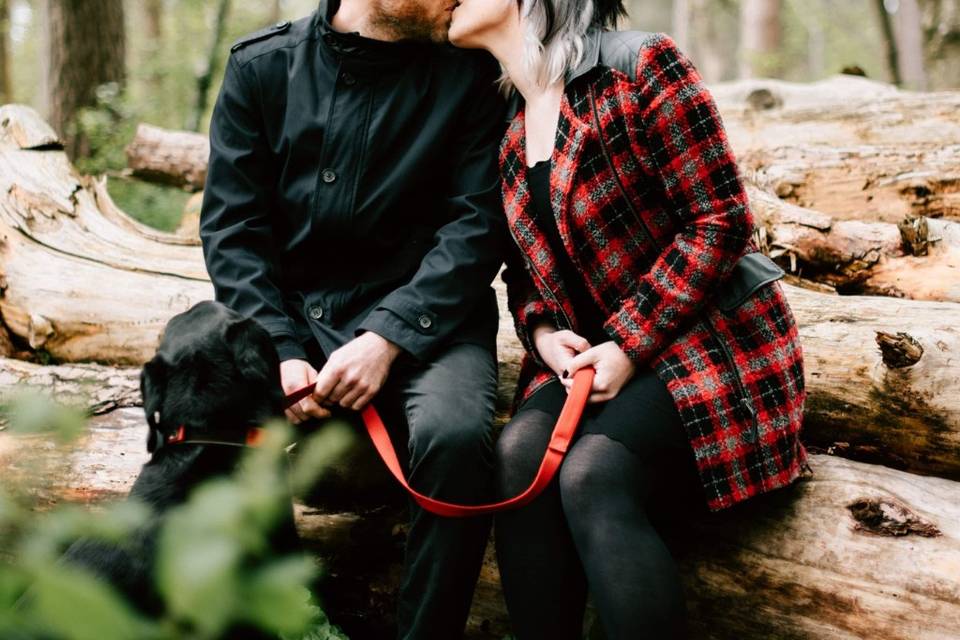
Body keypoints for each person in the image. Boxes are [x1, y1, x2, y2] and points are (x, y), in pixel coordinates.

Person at [448, 1, 814, 638]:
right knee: (517, 458)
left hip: (711, 340)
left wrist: (628, 343)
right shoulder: (504, 124)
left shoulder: (642, 67)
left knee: (593, 473)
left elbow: (721, 220)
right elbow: (527, 273)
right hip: (587, 361)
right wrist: (541, 335)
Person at [199, 1, 508, 638]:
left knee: (455, 437)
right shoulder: (260, 67)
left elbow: (476, 227)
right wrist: (279, 348)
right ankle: (290, 620)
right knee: (215, 413)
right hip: (289, 314)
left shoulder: (475, 74)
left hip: (433, 320)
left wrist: (387, 338)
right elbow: (233, 231)